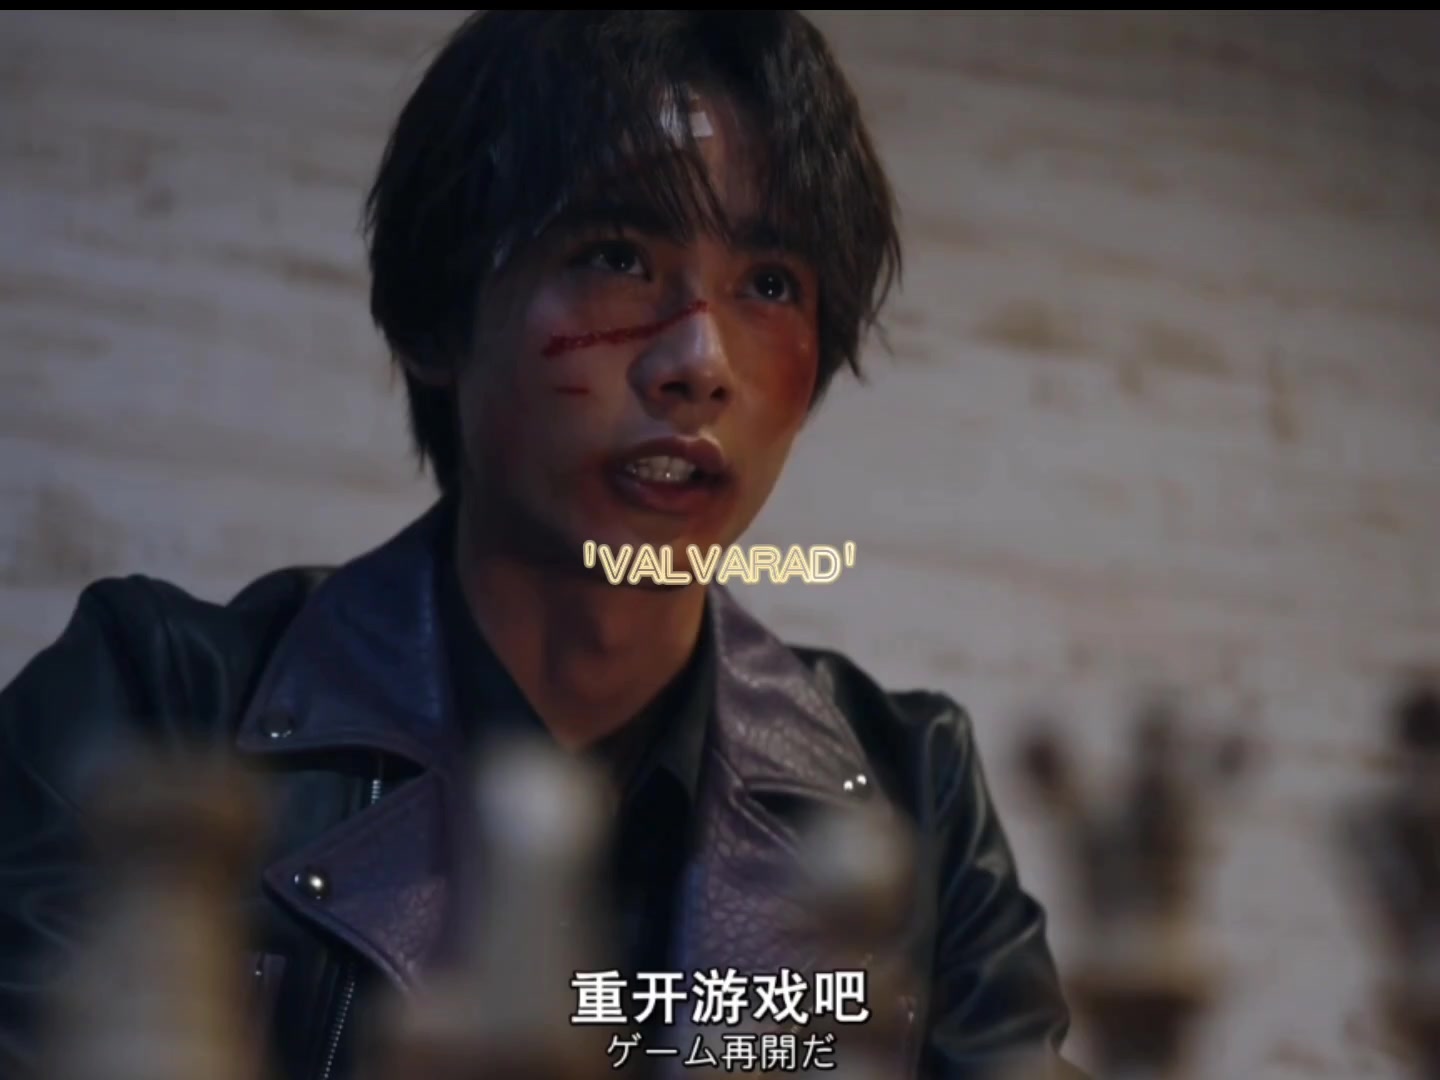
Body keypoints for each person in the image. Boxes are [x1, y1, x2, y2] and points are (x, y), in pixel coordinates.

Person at [0, 11, 1085, 1080]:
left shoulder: (911, 792)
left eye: (768, 285)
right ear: (439, 316)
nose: (700, 363)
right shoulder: (160, 708)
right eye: (618, 256)